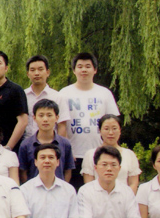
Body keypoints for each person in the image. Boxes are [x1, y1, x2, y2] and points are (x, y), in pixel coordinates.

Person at [59, 52, 120, 189]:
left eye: (88, 66)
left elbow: (113, 123)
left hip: (100, 154)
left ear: (95, 70)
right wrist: (68, 151)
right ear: (74, 70)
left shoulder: (104, 93)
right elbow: (61, 125)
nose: (84, 70)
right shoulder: (64, 93)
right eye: (80, 66)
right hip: (74, 155)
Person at [17, 99, 75, 183]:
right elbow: (23, 172)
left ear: (57, 118)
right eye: (41, 115)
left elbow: (68, 170)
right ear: (34, 118)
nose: (45, 119)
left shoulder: (65, 144)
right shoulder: (26, 144)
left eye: (49, 115)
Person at [81, 114, 141, 194]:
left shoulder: (129, 155)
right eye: (106, 129)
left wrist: (126, 198)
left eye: (114, 128)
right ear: (100, 130)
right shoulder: (90, 154)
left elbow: (133, 183)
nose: (111, 133)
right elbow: (88, 184)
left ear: (120, 130)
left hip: (123, 199)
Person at [23, 55, 70, 139]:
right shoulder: (22, 96)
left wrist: (58, 145)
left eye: (40, 69)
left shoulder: (58, 97)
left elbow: (61, 126)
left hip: (50, 143)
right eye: (32, 70)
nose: (36, 73)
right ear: (28, 74)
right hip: (26, 143)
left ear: (47, 72)